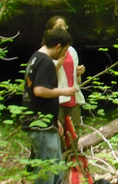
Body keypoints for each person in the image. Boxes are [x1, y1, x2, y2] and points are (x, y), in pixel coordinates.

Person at [22, 28, 76, 184]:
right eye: (64, 51)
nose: (64, 55)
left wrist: (54, 119)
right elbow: (39, 90)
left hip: (45, 122)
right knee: (46, 171)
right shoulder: (46, 62)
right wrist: (64, 91)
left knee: (57, 169)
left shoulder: (35, 57)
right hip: (41, 126)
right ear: (58, 46)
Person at [46, 16, 86, 134]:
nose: (63, 29)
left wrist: (78, 73)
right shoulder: (47, 52)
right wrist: (60, 62)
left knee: (75, 132)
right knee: (58, 132)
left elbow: (77, 80)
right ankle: (60, 153)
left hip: (73, 97)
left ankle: (73, 152)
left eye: (65, 26)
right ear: (49, 31)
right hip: (57, 98)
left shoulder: (72, 51)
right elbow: (47, 74)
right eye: (59, 26)